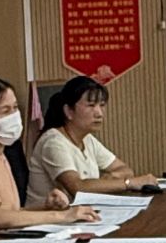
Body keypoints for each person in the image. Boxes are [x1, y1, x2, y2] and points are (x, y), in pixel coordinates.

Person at [0, 77, 99, 236]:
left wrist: (45, 208)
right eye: (5, 111)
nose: (14, 116)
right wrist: (63, 216)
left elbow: (11, 213)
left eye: (15, 108)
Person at [27, 76, 158, 206]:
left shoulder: (87, 139)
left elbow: (125, 169)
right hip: (45, 217)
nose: (99, 113)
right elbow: (78, 189)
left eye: (102, 105)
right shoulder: (53, 142)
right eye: (91, 105)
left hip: (78, 213)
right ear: (68, 111)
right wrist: (129, 183)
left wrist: (107, 180)